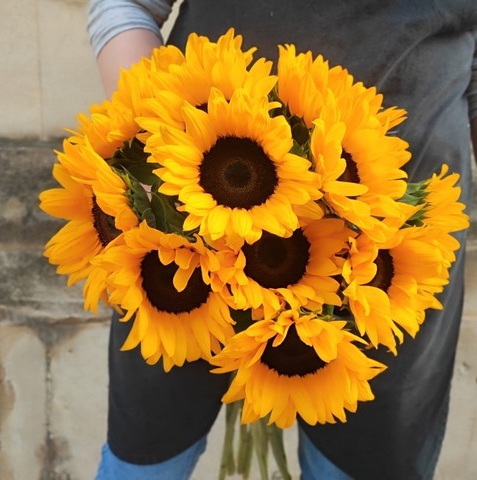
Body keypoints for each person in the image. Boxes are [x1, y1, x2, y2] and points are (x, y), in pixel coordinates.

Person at [87, 1, 477, 479]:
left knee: (366, 458)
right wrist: (151, 134)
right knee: (146, 456)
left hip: (392, 254)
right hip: (180, 235)